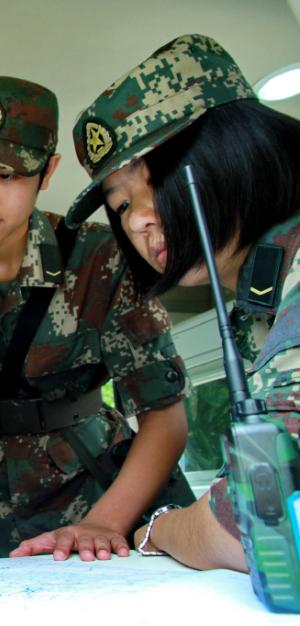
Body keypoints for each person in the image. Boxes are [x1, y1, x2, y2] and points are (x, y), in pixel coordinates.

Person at [0, 76, 192, 562]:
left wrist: (103, 522)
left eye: (8, 175)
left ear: (47, 172)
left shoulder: (101, 257)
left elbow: (165, 414)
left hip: (104, 490)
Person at [66, 33, 300, 571]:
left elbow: (259, 524)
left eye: (153, 179)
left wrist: (162, 528)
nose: (138, 219)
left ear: (234, 141)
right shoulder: (258, 298)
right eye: (120, 204)